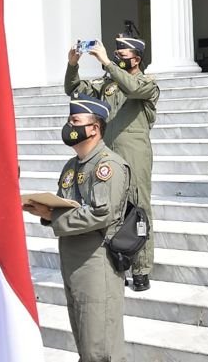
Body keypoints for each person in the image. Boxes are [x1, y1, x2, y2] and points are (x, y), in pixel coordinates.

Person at [24, 94, 131, 362]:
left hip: (97, 262)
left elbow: (100, 213)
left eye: (75, 121)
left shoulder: (109, 166)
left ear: (94, 128)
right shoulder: (71, 167)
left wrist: (54, 215)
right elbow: (67, 205)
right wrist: (45, 212)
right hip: (72, 261)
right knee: (85, 344)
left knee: (101, 349)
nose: (69, 126)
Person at [65, 34, 159, 292]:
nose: (118, 57)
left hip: (134, 152)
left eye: (123, 55)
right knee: (110, 209)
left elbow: (134, 89)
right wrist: (73, 64)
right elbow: (74, 90)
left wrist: (107, 63)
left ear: (137, 59)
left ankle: (141, 269)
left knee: (138, 208)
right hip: (108, 153)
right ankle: (118, 260)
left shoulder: (146, 82)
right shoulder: (109, 83)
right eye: (116, 54)